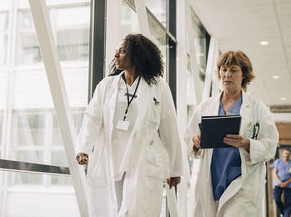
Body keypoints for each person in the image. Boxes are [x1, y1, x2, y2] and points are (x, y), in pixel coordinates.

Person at [75, 33, 183, 217]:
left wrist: (175, 168)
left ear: (138, 55)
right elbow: (92, 117)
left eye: (122, 51)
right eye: (116, 51)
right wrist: (84, 147)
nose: (116, 55)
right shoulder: (106, 86)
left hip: (142, 159)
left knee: (135, 209)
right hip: (112, 155)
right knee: (113, 208)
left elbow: (169, 127)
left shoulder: (158, 86)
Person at [184, 50, 279, 217]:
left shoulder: (258, 108)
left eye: (233, 70)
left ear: (244, 75)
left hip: (242, 182)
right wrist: (195, 142)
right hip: (212, 180)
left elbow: (271, 145)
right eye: (223, 69)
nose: (227, 74)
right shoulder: (206, 106)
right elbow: (188, 138)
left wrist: (247, 143)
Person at [273, 149, 291, 217]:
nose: (286, 155)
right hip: (278, 184)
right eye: (285, 153)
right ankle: (284, 213)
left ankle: (286, 215)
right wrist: (280, 182)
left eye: (288, 154)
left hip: (289, 185)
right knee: (277, 199)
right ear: (283, 154)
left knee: (288, 203)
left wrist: (286, 183)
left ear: (290, 155)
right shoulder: (278, 161)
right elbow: (275, 173)